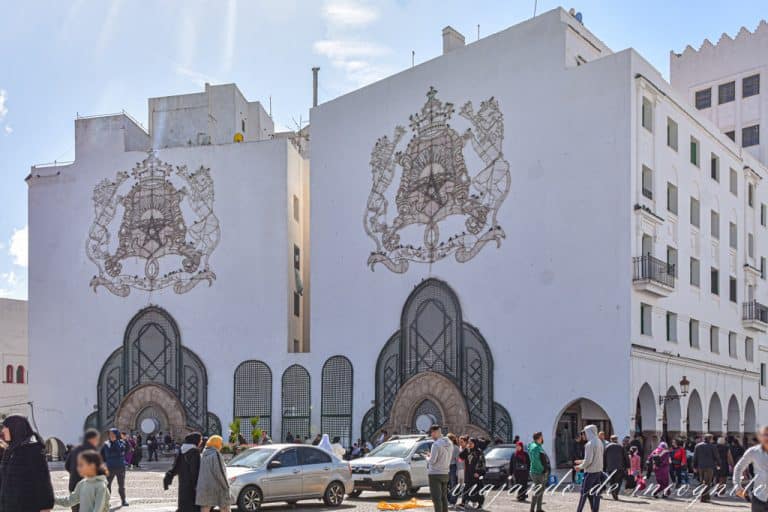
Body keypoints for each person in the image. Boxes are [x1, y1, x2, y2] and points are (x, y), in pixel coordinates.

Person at [0, 415, 55, 512]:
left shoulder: (32, 451)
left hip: (28, 506)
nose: (3, 431)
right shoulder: (10, 451)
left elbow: (42, 482)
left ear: (15, 428)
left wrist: (45, 507)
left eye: (5, 427)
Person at [164, 432, 202, 512]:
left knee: (183, 506)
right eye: (200, 440)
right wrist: (197, 486)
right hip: (192, 487)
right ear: (195, 440)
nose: (201, 442)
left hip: (183, 484)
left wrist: (168, 477)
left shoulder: (181, 450)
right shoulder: (194, 452)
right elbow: (194, 471)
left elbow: (175, 467)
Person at [65, 429, 101, 512]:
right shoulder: (93, 451)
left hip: (73, 484)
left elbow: (67, 466)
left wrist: (75, 473)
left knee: (75, 508)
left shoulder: (74, 449)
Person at [734, 425, 768, 511]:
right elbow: (739, 468)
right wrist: (738, 486)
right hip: (759, 497)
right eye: (765, 434)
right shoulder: (753, 452)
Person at [196, 436, 230, 512]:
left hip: (204, 487)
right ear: (217, 444)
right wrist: (226, 486)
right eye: (221, 443)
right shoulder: (215, 454)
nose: (221, 445)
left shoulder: (204, 454)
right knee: (225, 508)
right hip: (217, 488)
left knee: (205, 508)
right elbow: (220, 472)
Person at [574, 425, 604, 512]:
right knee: (595, 493)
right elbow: (596, 458)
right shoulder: (599, 442)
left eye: (585, 433)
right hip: (598, 471)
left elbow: (589, 461)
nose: (584, 435)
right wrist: (581, 461)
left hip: (590, 472)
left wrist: (579, 467)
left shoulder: (589, 444)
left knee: (583, 493)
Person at [425, 425, 451, 512]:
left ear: (435, 432)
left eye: (431, 433)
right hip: (445, 472)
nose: (431, 435)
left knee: (436, 498)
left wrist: (427, 457)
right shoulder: (449, 442)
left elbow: (432, 461)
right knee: (444, 497)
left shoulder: (436, 444)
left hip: (435, 474)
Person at [101, 428, 129, 506]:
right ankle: (106, 501)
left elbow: (127, 450)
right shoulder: (106, 444)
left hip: (120, 467)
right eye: (110, 434)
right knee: (107, 485)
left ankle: (123, 500)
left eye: (113, 434)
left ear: (116, 435)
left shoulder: (121, 442)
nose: (111, 436)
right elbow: (104, 454)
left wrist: (125, 440)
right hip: (110, 468)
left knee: (121, 486)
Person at [460, 437, 486, 510]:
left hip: (476, 474)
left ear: (475, 444)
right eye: (469, 443)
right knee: (466, 487)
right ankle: (463, 502)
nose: (470, 445)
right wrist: (465, 449)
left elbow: (482, 463)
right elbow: (460, 456)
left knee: (478, 489)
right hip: (468, 473)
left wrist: (479, 473)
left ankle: (480, 504)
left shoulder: (479, 452)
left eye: (471, 443)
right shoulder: (467, 451)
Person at [693, 433, 720, 503]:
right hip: (709, 466)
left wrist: (694, 466)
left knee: (702, 482)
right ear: (710, 439)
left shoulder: (698, 446)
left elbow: (695, 457)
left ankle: (706, 496)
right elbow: (716, 456)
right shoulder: (713, 446)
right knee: (708, 482)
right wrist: (719, 464)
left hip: (700, 466)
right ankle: (704, 497)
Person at [528, 432, 549, 512]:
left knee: (539, 490)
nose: (543, 438)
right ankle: (533, 509)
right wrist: (543, 470)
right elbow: (538, 460)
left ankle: (538, 509)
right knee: (538, 491)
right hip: (538, 472)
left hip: (533, 471)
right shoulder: (537, 448)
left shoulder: (532, 445)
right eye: (542, 437)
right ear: (539, 438)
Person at [604, 435, 628, 500]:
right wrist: (627, 466)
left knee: (612, 481)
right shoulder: (621, 446)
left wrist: (604, 467)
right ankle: (616, 492)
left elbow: (604, 457)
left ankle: (613, 492)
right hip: (619, 467)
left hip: (610, 467)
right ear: (617, 439)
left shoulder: (607, 447)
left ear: (610, 439)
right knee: (618, 481)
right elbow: (626, 457)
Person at [446, 434, 460, 505]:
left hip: (453, 467)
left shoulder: (456, 448)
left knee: (453, 484)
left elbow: (458, 460)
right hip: (445, 467)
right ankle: (448, 499)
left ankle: (453, 501)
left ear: (452, 440)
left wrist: (458, 470)